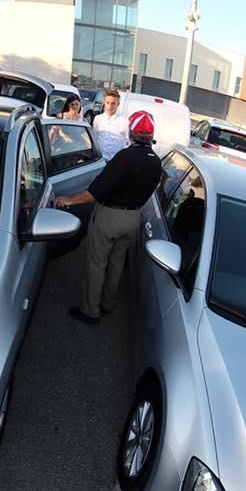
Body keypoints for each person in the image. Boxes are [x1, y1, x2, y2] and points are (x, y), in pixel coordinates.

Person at [54, 110, 162, 323]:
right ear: (150, 136)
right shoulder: (156, 162)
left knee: (97, 263)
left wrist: (69, 200)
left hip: (109, 217)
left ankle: (90, 311)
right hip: (133, 218)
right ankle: (107, 303)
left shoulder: (125, 157)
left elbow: (96, 192)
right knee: (116, 262)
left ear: (131, 133)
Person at [91, 90, 130, 161]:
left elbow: (129, 142)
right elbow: (95, 139)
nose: (110, 106)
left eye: (113, 103)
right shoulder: (98, 118)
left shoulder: (124, 121)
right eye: (107, 103)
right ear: (104, 103)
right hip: (99, 161)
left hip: (115, 161)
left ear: (118, 104)